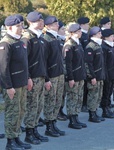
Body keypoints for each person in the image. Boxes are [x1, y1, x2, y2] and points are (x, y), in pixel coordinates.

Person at [0, 15, 31, 150]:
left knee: (20, 111)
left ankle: (17, 137)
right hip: (12, 85)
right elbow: (3, 68)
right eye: (18, 26)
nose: (21, 28)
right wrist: (8, 86)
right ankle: (10, 142)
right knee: (12, 113)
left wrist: (28, 78)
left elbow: (24, 63)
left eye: (22, 25)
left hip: (22, 83)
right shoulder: (6, 43)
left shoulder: (20, 41)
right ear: (9, 27)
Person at [22, 11, 49, 145]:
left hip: (41, 76)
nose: (41, 22)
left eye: (42, 20)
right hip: (32, 77)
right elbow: (24, 61)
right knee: (31, 106)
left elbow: (44, 61)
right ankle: (28, 133)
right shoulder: (27, 37)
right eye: (38, 21)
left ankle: (34, 130)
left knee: (39, 106)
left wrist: (47, 78)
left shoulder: (40, 38)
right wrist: (28, 77)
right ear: (30, 22)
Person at [43, 15, 65, 137]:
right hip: (51, 75)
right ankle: (48, 126)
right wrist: (46, 79)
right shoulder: (46, 39)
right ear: (48, 26)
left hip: (59, 74)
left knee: (57, 100)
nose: (57, 25)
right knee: (50, 101)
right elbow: (44, 61)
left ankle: (53, 123)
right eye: (55, 24)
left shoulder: (55, 39)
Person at [63, 22, 87, 129]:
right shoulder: (69, 45)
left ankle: (76, 117)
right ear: (72, 33)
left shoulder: (78, 43)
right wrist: (70, 78)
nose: (80, 33)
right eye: (78, 31)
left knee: (78, 97)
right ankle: (71, 119)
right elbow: (68, 64)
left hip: (80, 75)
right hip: (74, 76)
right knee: (72, 98)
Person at [85, 26, 105, 123]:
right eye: (99, 33)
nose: (101, 34)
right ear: (94, 34)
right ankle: (91, 114)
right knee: (93, 95)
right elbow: (88, 63)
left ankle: (95, 112)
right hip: (94, 76)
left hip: (100, 75)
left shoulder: (98, 45)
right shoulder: (90, 46)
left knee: (98, 95)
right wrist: (91, 76)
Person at [100, 29, 114, 118]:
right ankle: (104, 109)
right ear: (106, 37)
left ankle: (108, 108)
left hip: (112, 73)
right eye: (111, 36)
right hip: (107, 74)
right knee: (106, 92)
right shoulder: (104, 47)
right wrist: (106, 75)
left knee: (110, 91)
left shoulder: (111, 47)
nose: (113, 37)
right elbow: (104, 63)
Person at [77, 17, 90, 112]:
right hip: (83, 63)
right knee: (84, 85)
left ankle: (86, 102)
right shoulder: (81, 36)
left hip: (88, 62)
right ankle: (82, 104)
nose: (88, 25)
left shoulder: (87, 35)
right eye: (86, 24)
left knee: (87, 84)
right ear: (81, 25)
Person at [57, 20, 68, 121]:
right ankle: (57, 112)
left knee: (62, 93)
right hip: (57, 72)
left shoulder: (63, 41)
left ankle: (60, 110)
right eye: (63, 29)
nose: (65, 31)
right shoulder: (57, 41)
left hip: (63, 71)